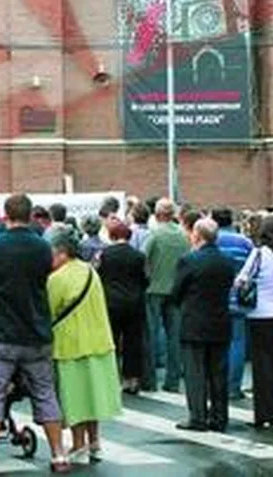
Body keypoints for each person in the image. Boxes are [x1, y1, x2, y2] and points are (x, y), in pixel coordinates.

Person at [0, 193, 68, 474]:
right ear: (30, 215)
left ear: (6, 214)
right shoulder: (42, 248)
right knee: (45, 392)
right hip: (35, 330)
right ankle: (59, 454)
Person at [45, 225, 121, 465]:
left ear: (61, 252)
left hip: (70, 344)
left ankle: (78, 445)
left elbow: (49, 312)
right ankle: (95, 442)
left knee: (75, 399)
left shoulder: (56, 279)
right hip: (99, 341)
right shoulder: (90, 271)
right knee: (93, 397)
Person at [170, 218, 235, 431]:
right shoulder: (227, 261)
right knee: (218, 373)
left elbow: (177, 291)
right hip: (220, 321)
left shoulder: (189, 260)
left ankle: (198, 417)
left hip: (194, 322)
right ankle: (220, 417)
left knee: (195, 373)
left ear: (197, 235)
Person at [235, 215, 273, 428]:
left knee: (263, 366)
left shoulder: (260, 253)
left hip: (261, 314)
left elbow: (243, 278)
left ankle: (263, 413)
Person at [142, 199, 190, 393]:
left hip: (154, 288)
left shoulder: (154, 234)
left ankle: (150, 380)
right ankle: (173, 380)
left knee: (151, 335)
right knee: (175, 337)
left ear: (157, 214)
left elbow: (143, 258)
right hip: (176, 290)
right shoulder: (183, 235)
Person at [96, 219, 147, 394]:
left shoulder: (105, 254)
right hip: (134, 302)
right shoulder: (138, 256)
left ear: (112, 235)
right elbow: (144, 280)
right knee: (133, 341)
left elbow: (99, 276)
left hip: (111, 302)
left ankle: (112, 377)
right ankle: (132, 378)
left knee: (112, 340)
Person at [211, 207, 254, 400]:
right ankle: (233, 386)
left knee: (216, 343)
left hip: (215, 299)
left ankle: (216, 384)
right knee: (237, 342)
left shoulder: (211, 241)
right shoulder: (245, 243)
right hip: (238, 298)